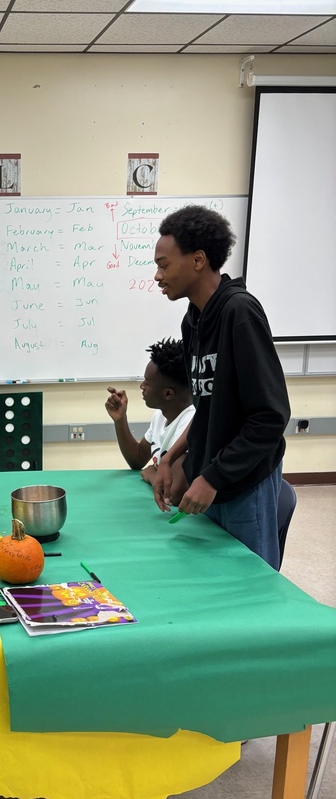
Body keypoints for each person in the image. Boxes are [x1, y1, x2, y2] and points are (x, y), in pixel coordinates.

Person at [151, 205, 290, 569]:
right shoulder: (193, 321)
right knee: (215, 578)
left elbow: (270, 418)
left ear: (198, 260)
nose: (157, 275)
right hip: (213, 481)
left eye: (164, 265)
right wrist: (172, 456)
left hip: (244, 483)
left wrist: (212, 477)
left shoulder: (239, 313)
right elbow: (210, 409)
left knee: (249, 589)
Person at [105, 337, 194, 489]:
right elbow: (137, 459)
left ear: (168, 394)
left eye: (147, 382)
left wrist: (152, 475)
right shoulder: (161, 416)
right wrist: (120, 420)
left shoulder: (190, 422)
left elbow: (174, 492)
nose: (141, 386)